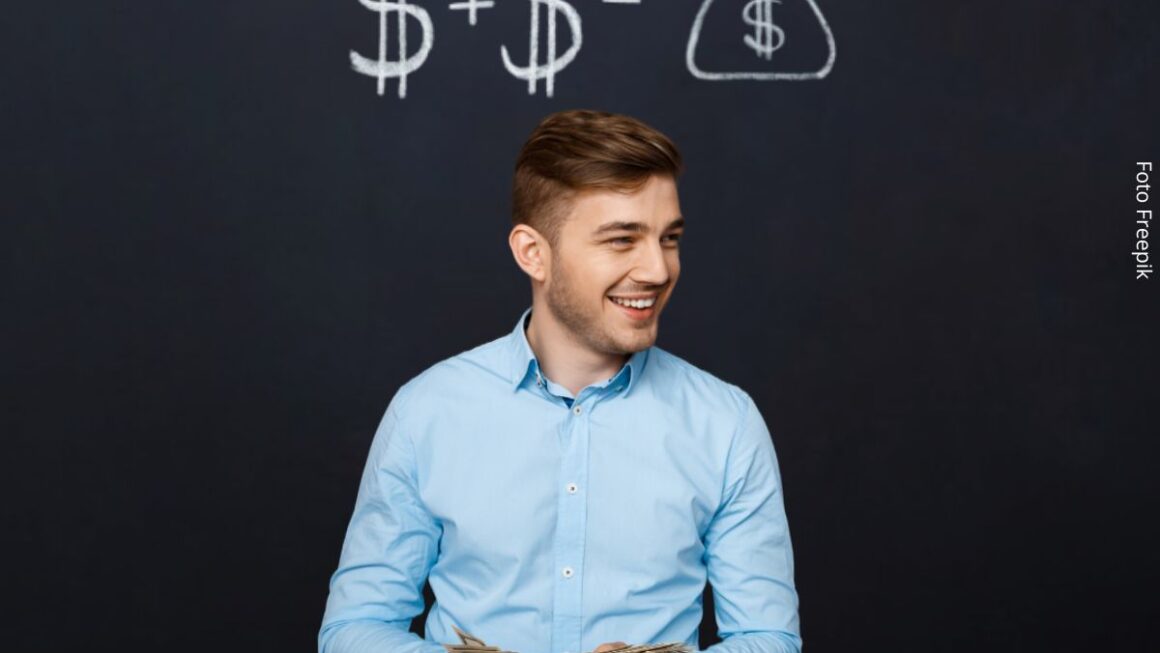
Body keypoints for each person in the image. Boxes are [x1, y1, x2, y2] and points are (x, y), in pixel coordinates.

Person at [318, 109, 801, 653]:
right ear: (533, 254)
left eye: (669, 238)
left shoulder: (726, 423)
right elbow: (354, 630)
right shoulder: (427, 411)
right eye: (622, 240)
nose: (659, 269)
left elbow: (768, 638)